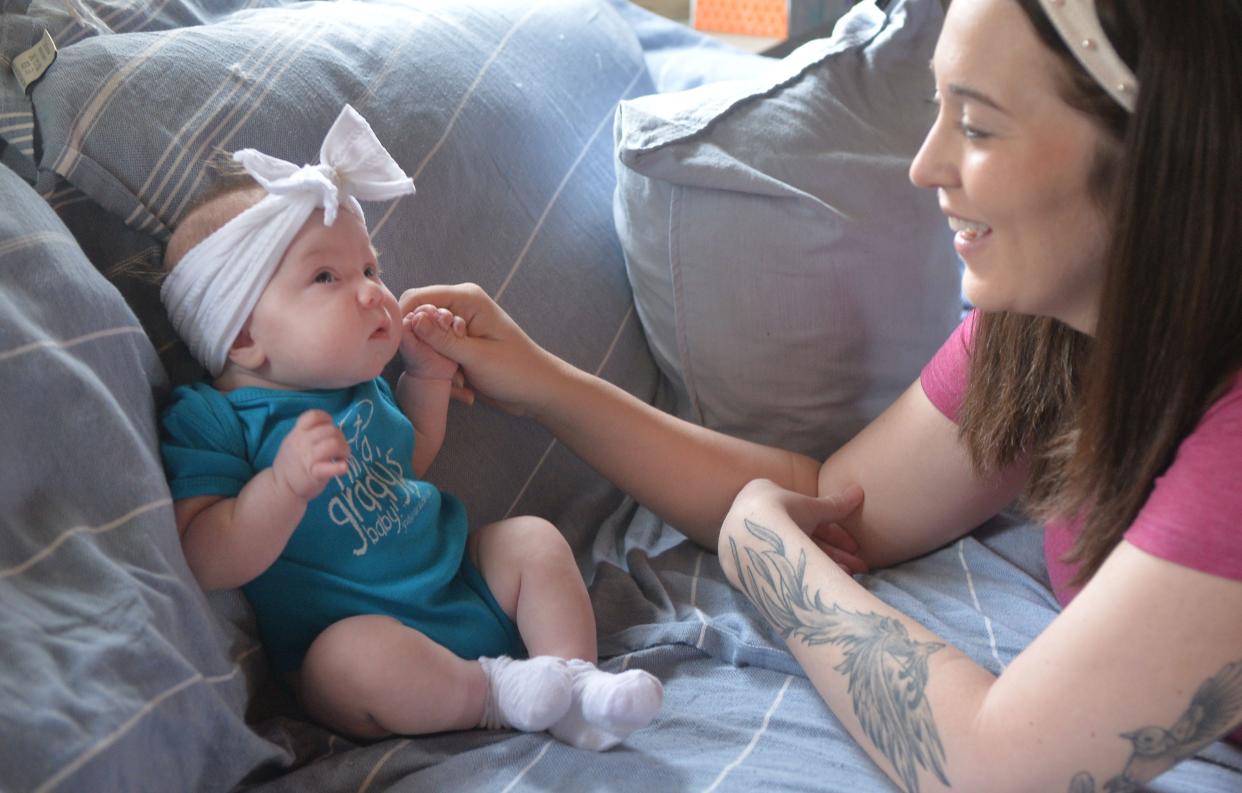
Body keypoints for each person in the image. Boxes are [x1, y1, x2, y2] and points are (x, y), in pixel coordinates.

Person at [398, 1, 1242, 790]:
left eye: (978, 124)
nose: (926, 165)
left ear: (1159, 157)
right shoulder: (1054, 324)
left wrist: (767, 554)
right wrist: (546, 384)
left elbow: (990, 762)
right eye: (936, 106)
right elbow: (835, 499)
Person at [156, 105, 663, 751]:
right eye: (326, 276)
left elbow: (410, 458)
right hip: (370, 640)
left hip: (460, 581)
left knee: (531, 540)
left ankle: (574, 681)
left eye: (370, 269)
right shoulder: (212, 417)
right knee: (344, 662)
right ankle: (497, 695)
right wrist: (281, 487)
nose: (372, 292)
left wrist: (423, 377)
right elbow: (206, 553)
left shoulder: (360, 390)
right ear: (246, 334)